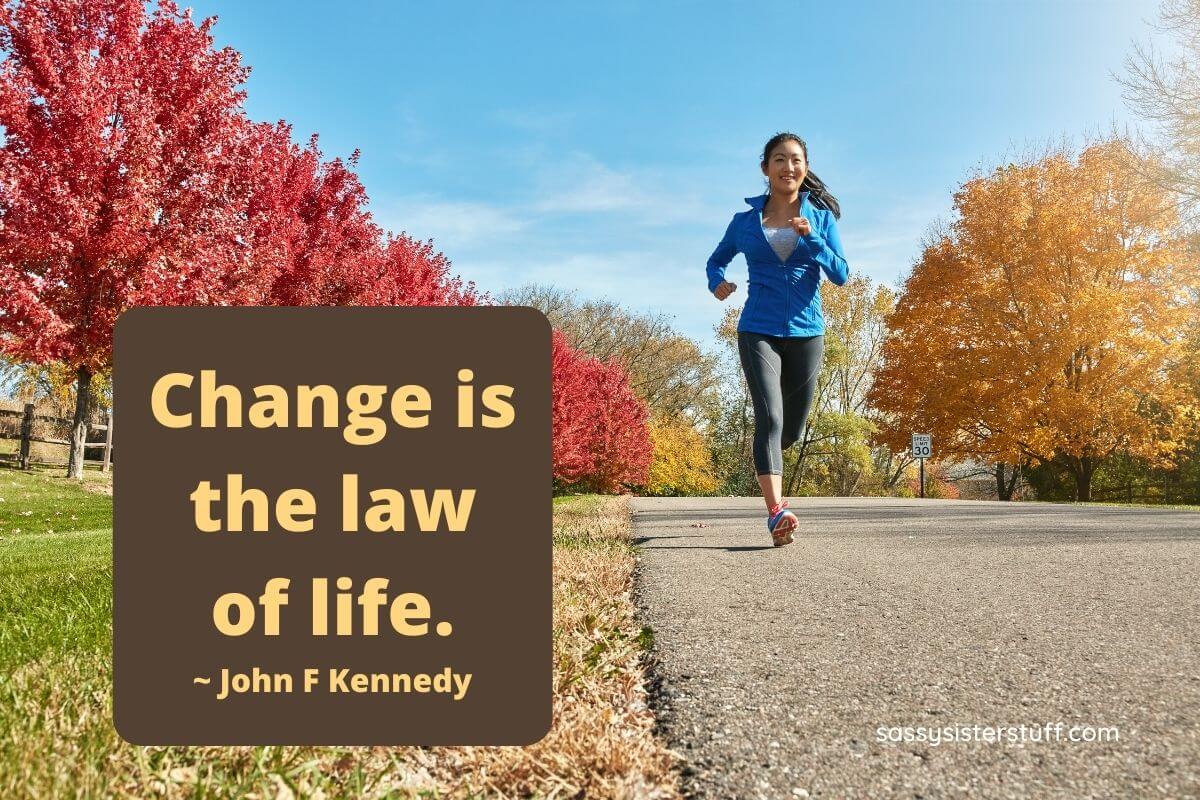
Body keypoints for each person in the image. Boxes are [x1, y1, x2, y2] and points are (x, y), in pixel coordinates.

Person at [706, 132, 850, 547]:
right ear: (765, 168)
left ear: (805, 167)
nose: (789, 167)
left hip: (808, 331)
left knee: (791, 429)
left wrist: (813, 239)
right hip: (758, 329)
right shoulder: (744, 223)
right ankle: (776, 512)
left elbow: (841, 274)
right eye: (780, 160)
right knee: (770, 418)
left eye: (796, 160)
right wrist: (717, 281)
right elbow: (716, 259)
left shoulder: (821, 218)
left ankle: (766, 460)